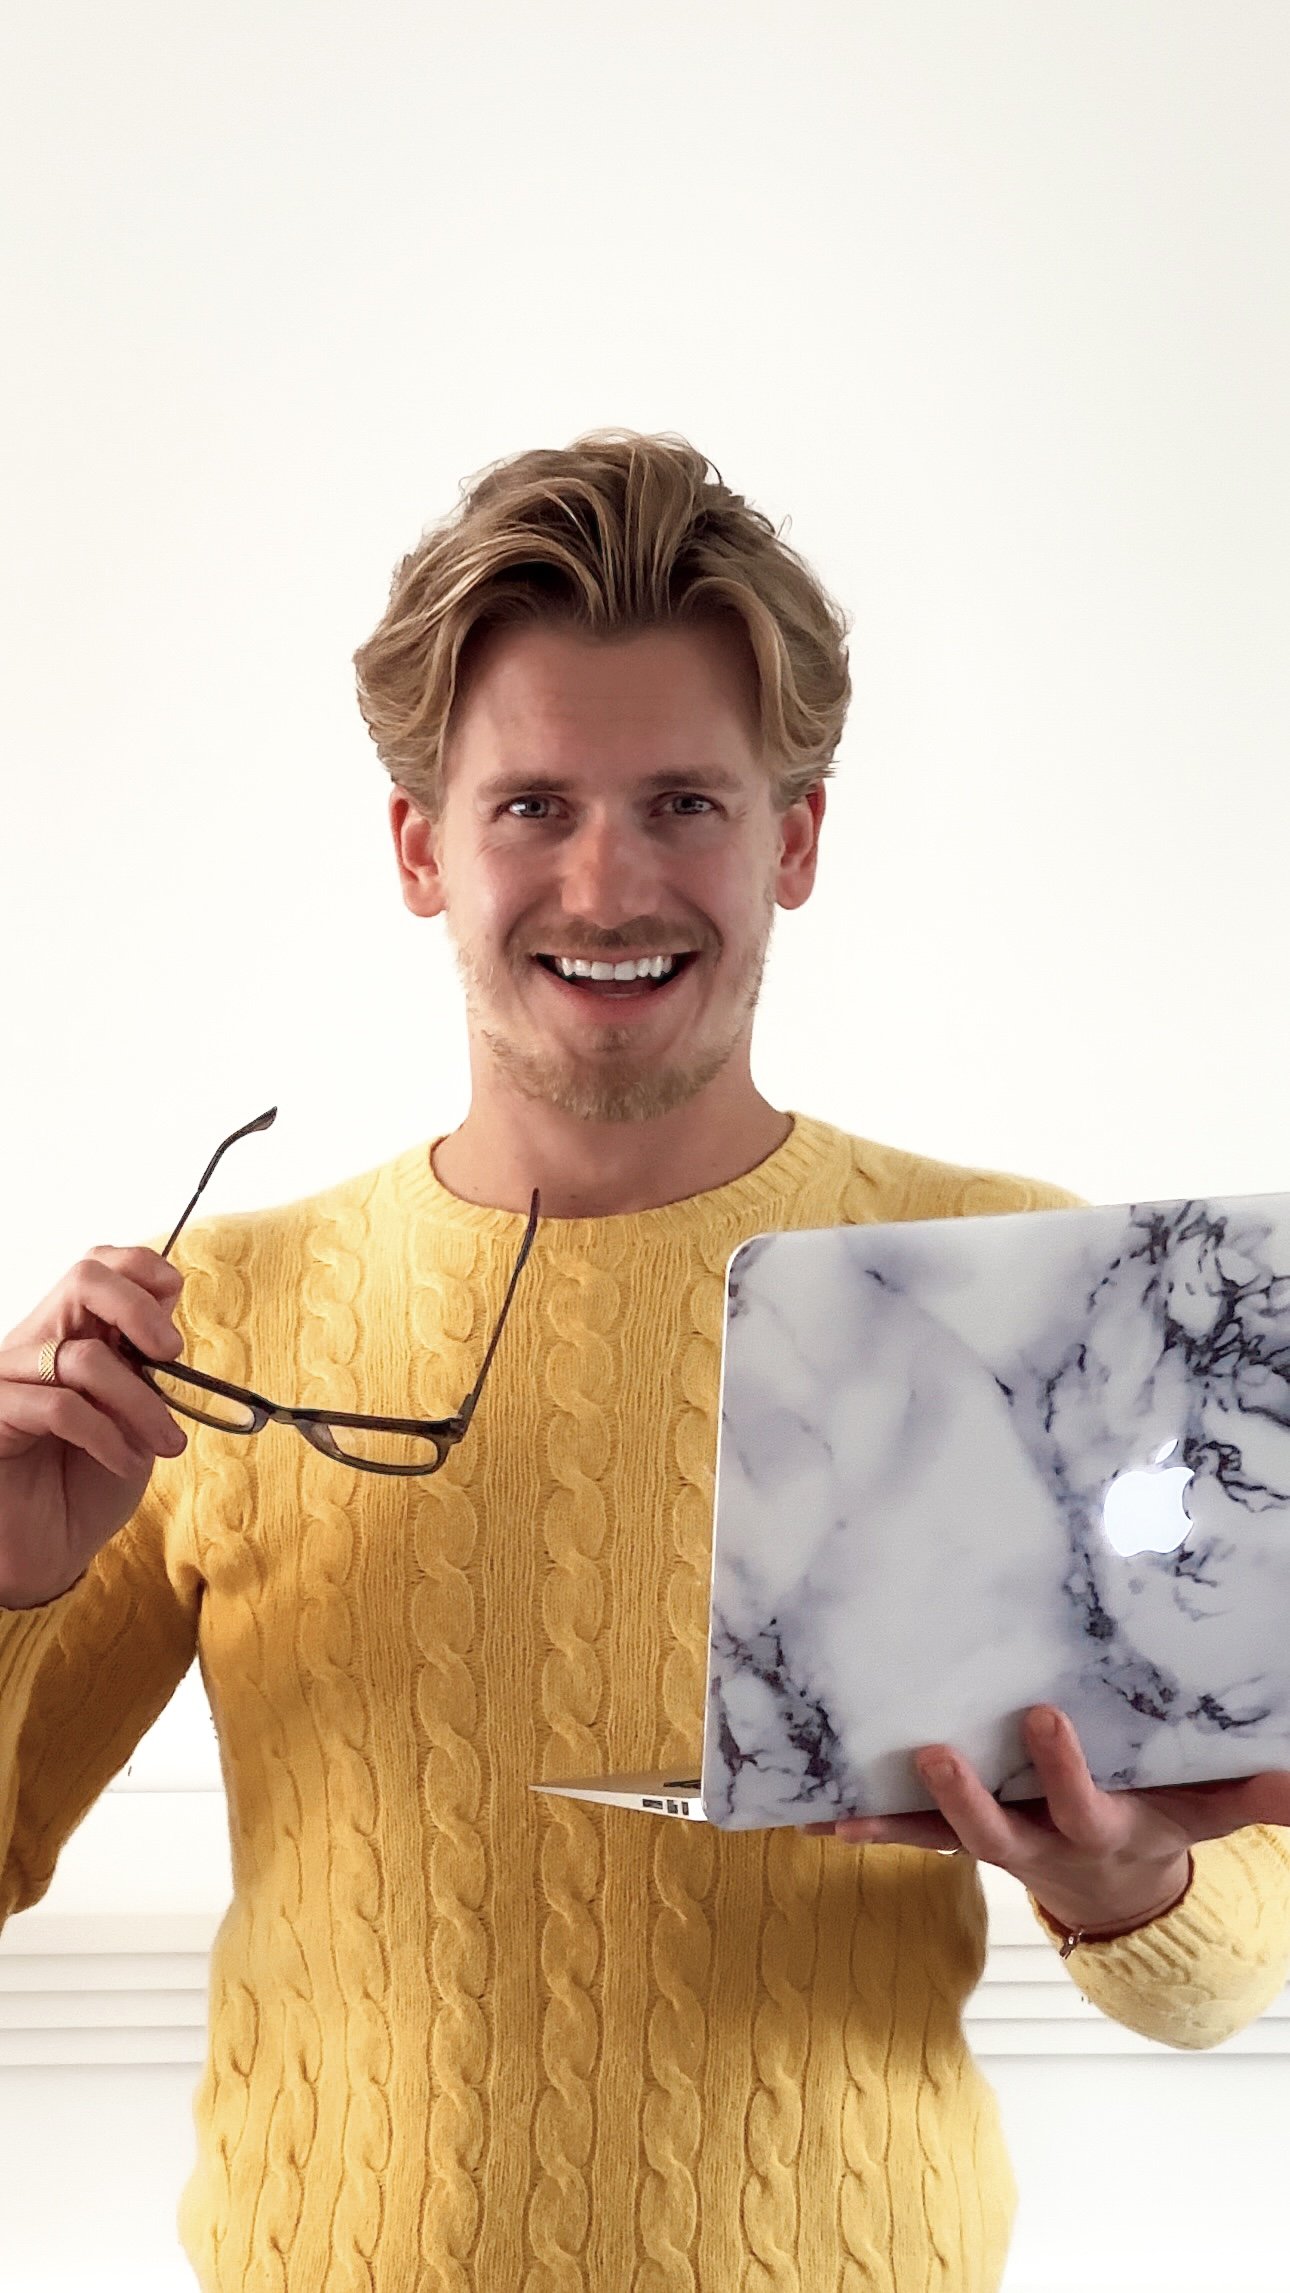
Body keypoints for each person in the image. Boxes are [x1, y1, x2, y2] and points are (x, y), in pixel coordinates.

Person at [2, 430, 1288, 2293]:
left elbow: (1236, 1956)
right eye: (533, 805)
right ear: (419, 847)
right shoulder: (215, 1324)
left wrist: (1129, 1891)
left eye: (684, 801)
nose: (607, 886)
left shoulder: (1021, 1289)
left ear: (792, 839)